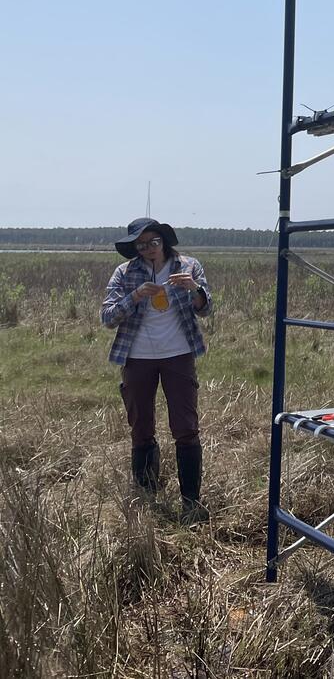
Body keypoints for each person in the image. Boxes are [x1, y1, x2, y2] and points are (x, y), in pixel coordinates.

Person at [101, 217, 213, 523]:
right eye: (141, 245)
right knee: (141, 428)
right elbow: (108, 317)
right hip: (137, 358)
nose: (148, 249)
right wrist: (134, 296)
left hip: (178, 355)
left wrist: (194, 290)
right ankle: (146, 500)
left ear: (163, 241)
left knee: (186, 428)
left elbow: (205, 308)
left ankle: (191, 502)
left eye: (153, 242)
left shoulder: (188, 266)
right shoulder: (125, 272)